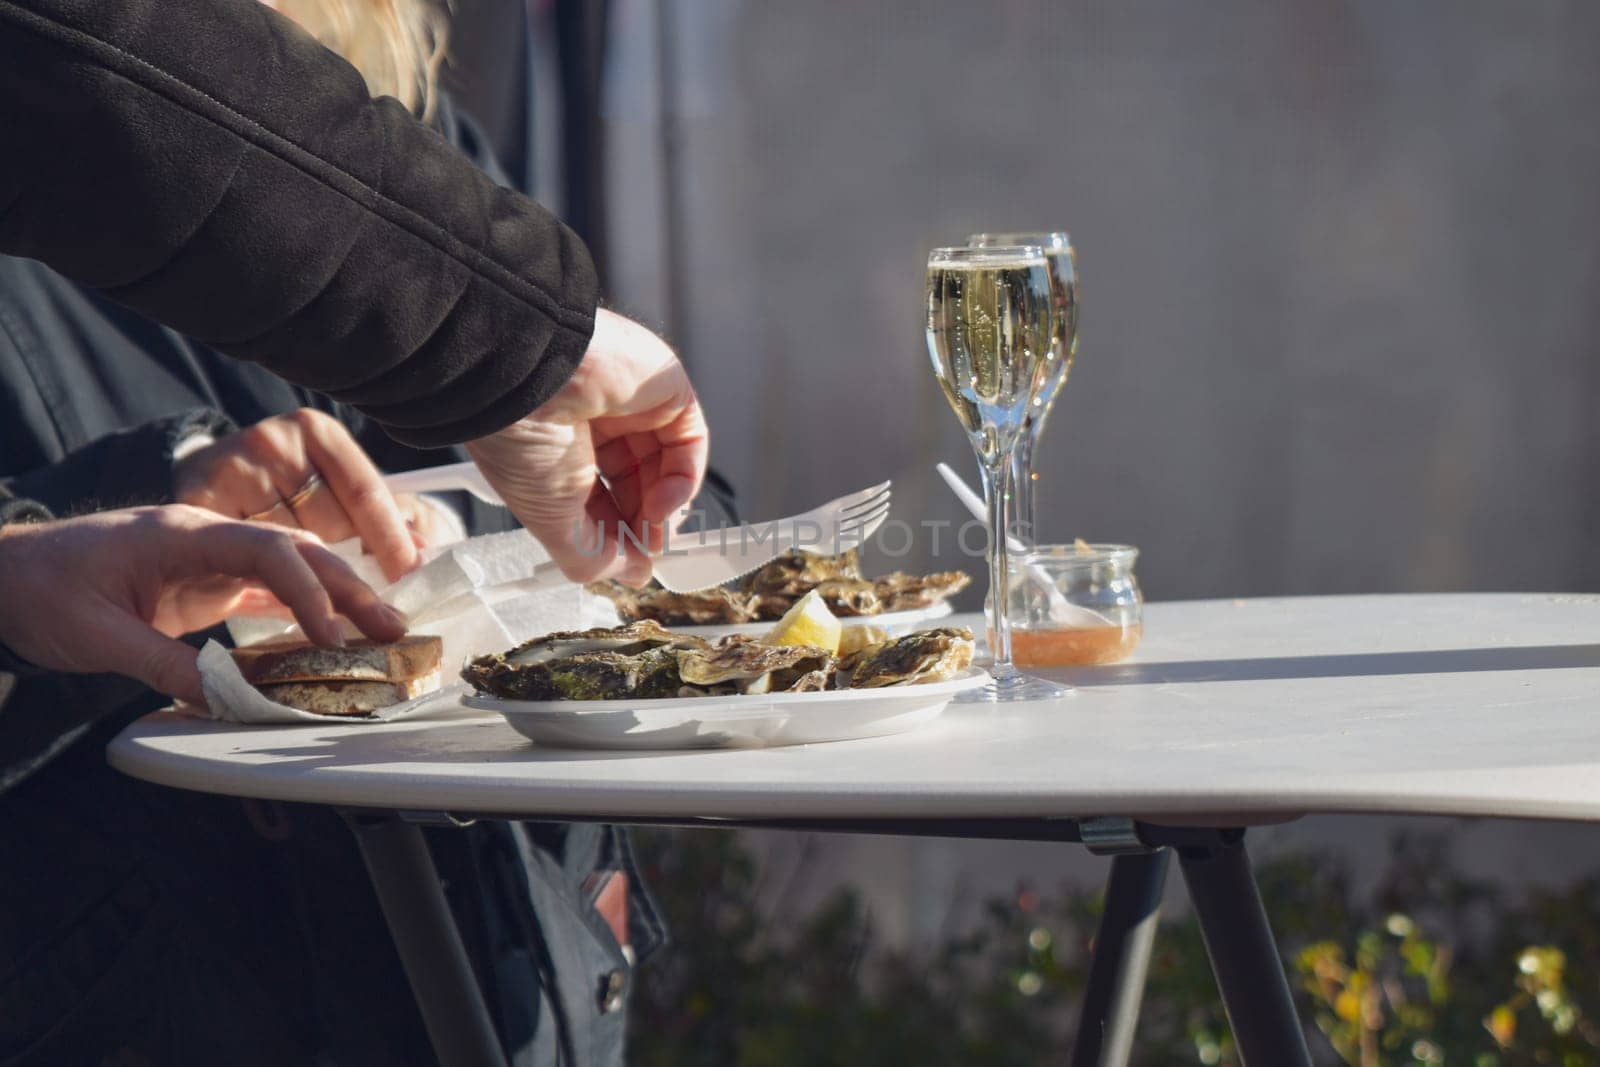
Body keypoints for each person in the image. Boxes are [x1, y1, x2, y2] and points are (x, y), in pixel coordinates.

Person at [0, 0, 709, 1062]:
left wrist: (459, 533)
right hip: (167, 996)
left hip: (506, 980)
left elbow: (695, 529)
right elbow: (89, 67)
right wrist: (77, 530)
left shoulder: (407, 121)